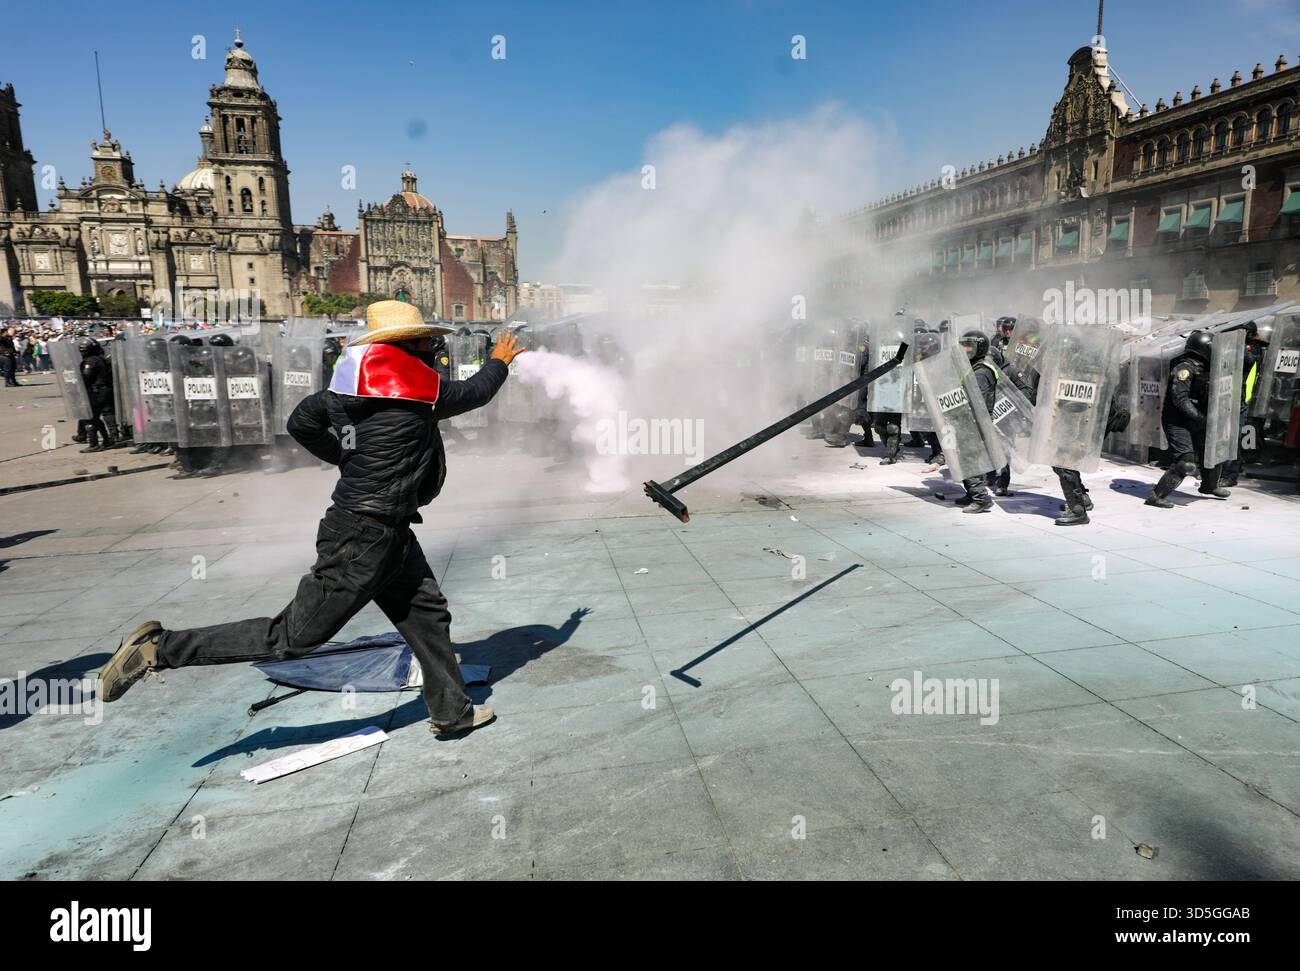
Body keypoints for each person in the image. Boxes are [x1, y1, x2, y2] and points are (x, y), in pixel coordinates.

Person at [97, 301, 524, 738]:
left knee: (428, 615)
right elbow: (472, 394)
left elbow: (301, 422)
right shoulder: (409, 392)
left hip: (387, 530)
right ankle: (159, 648)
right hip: (365, 535)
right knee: (292, 637)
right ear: (404, 344)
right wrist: (499, 362)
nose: (434, 345)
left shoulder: (351, 388)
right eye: (428, 339)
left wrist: (344, 457)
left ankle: (452, 712)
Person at [1145, 330, 1230, 508]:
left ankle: (1209, 486)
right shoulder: (1184, 368)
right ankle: (1156, 495)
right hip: (1178, 422)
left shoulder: (1208, 368)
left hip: (1198, 418)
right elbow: (1180, 400)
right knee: (1186, 463)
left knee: (1213, 452)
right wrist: (1200, 418)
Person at [954, 329, 998, 514]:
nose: (965, 349)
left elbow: (975, 399)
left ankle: (981, 499)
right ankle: (972, 493)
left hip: (974, 421)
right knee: (964, 458)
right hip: (969, 420)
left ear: (979, 348)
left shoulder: (981, 372)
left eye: (969, 346)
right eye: (963, 345)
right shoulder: (973, 366)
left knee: (968, 459)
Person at [77, 337, 118, 452]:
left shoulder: (90, 361)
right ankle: (110, 439)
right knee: (106, 413)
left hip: (97, 391)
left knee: (90, 417)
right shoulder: (101, 359)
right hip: (105, 390)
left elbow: (86, 376)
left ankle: (94, 443)